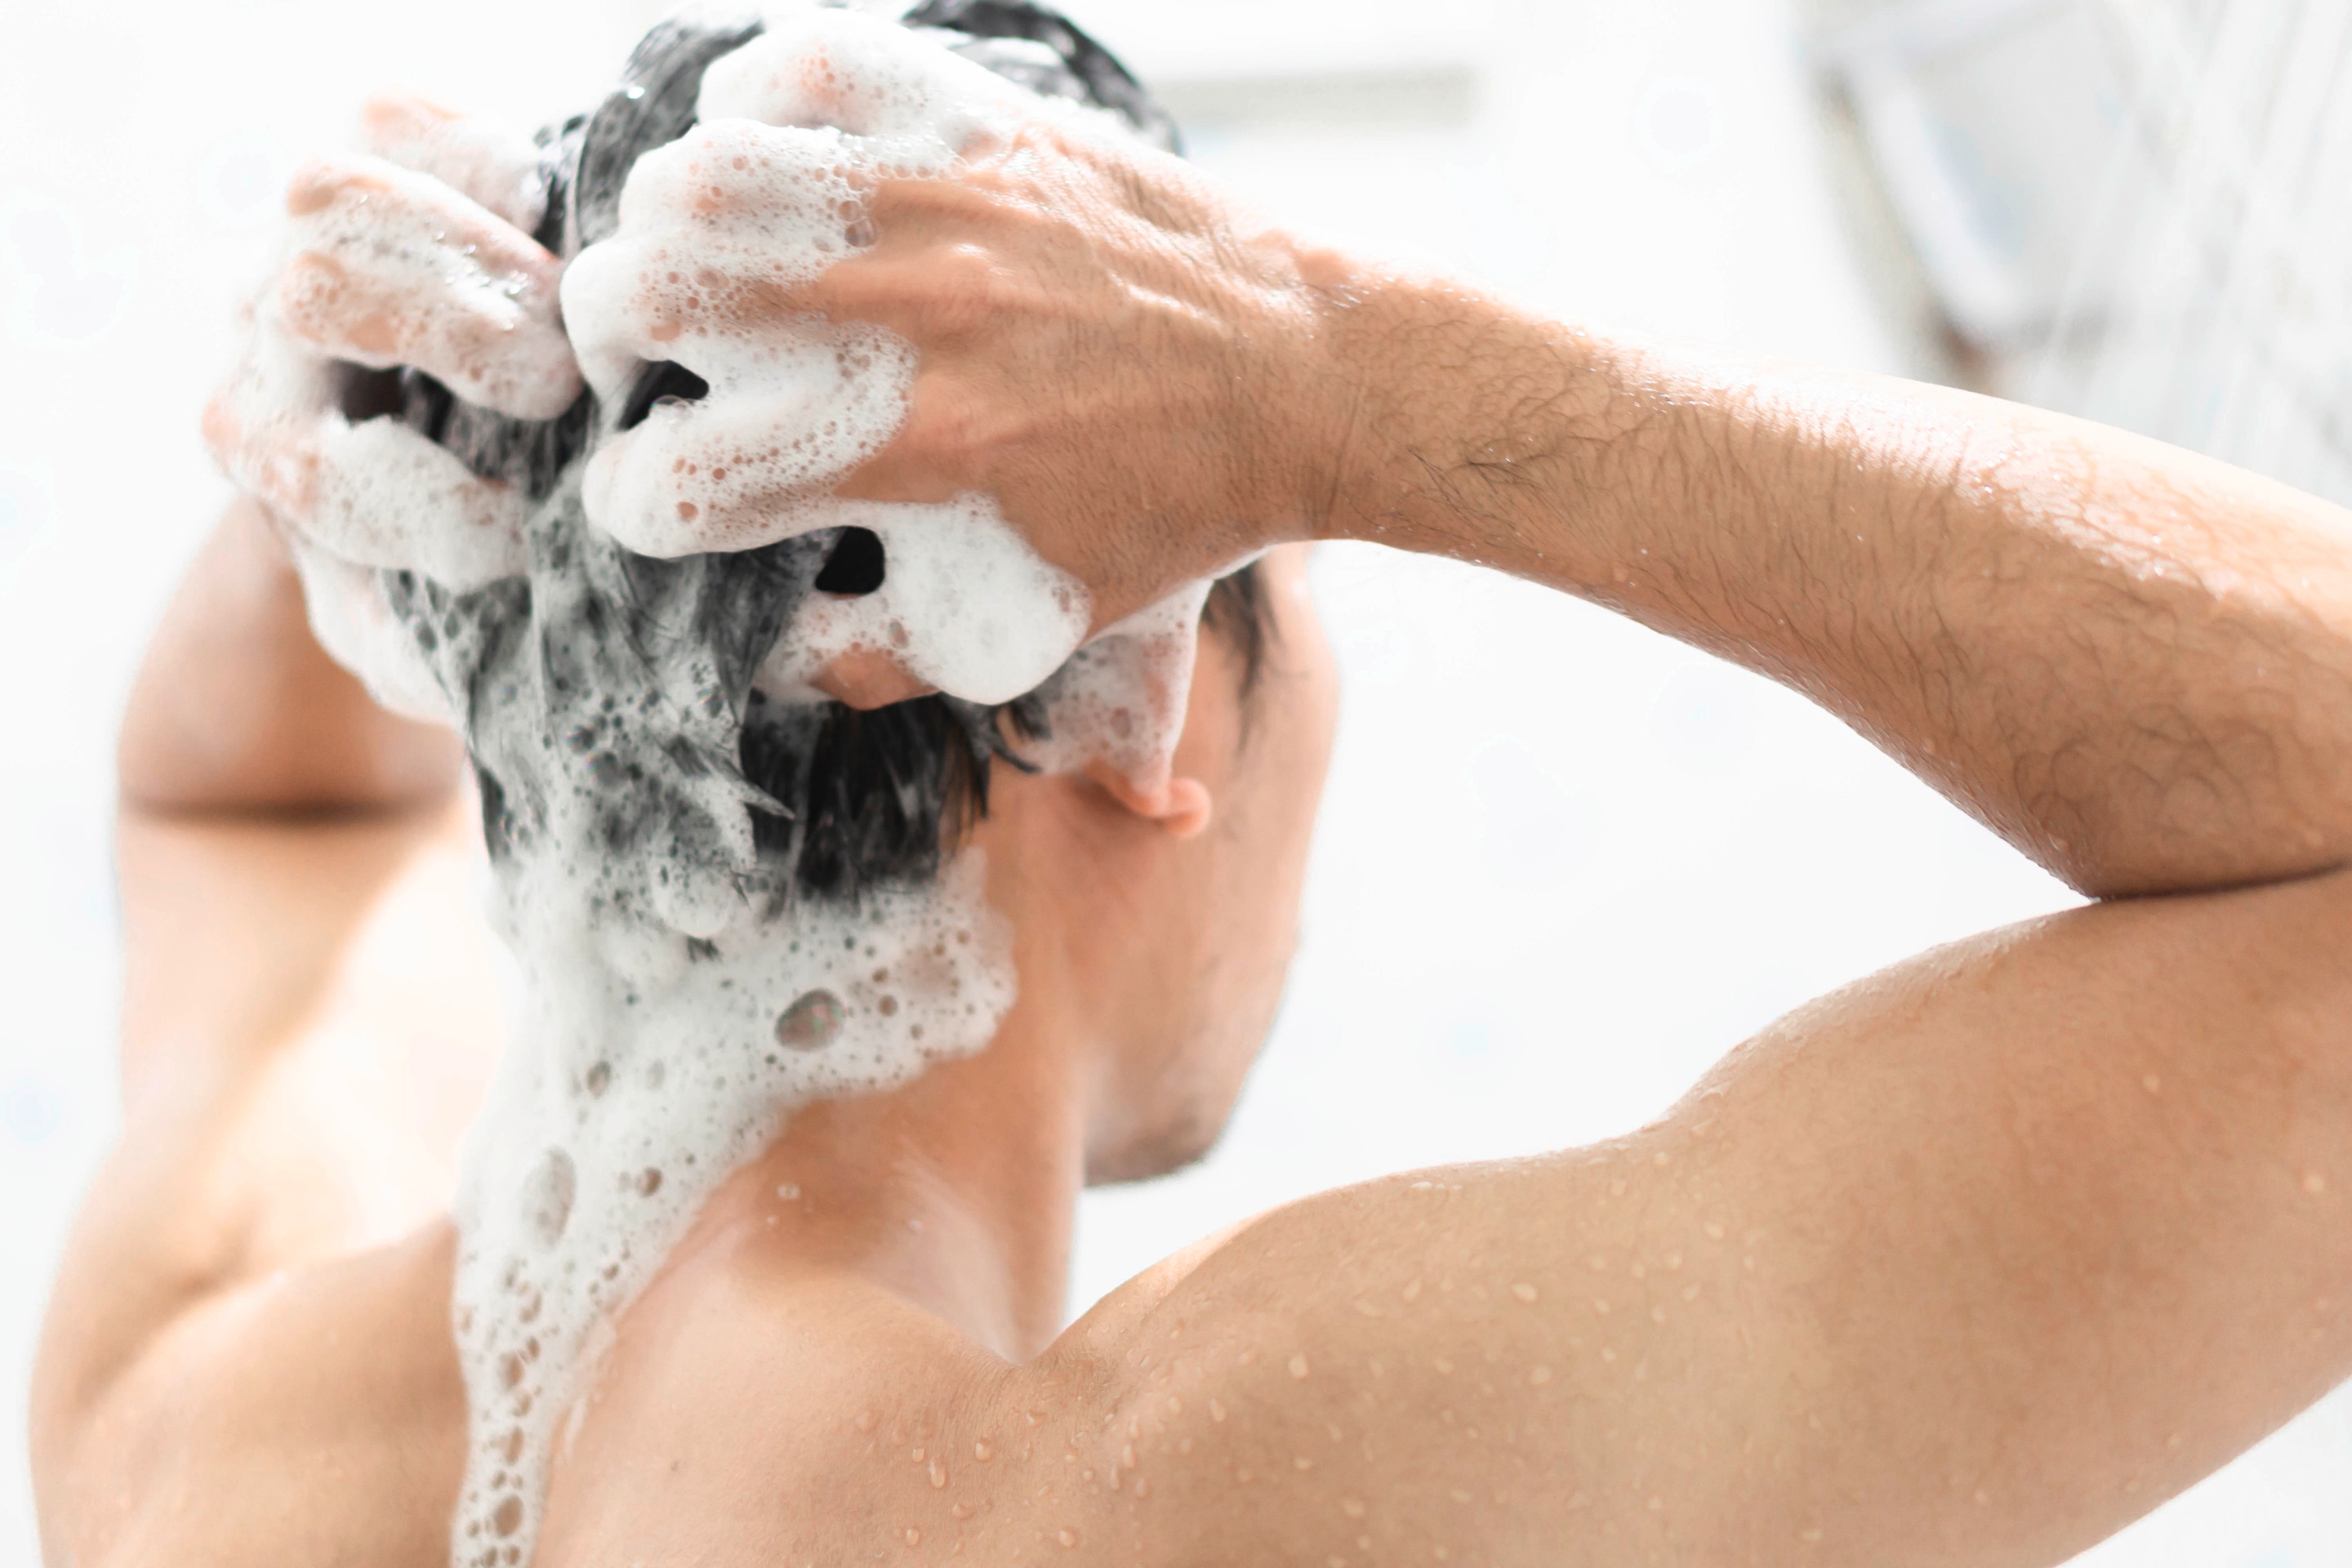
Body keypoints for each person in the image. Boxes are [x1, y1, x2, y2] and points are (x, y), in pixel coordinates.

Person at [30, 12, 2352, 1567]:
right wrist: (1330, 380)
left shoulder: (181, 1442)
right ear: (1152, 708)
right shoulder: (1205, 1500)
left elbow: (245, 817)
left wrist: (363, 495)